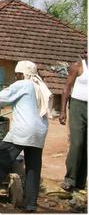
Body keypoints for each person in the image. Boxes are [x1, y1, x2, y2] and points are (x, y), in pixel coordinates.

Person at [0, 60, 52, 212]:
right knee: (33, 168)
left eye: (16, 74)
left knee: (0, 156)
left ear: (22, 74)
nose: (15, 77)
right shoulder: (39, 86)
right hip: (40, 131)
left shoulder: (23, 84)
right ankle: (31, 204)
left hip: (24, 129)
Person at [59, 49, 87, 192]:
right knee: (77, 143)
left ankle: (81, 181)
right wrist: (63, 110)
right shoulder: (77, 66)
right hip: (77, 106)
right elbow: (67, 88)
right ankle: (70, 179)